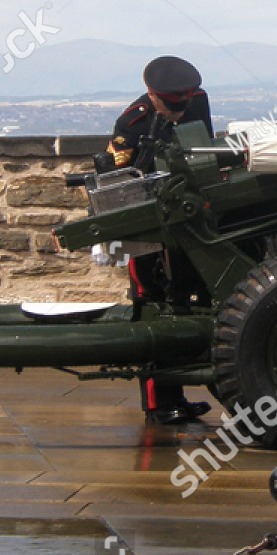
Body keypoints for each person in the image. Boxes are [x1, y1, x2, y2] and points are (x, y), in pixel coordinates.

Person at [100, 56, 215, 425]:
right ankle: (160, 403)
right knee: (153, 306)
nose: (179, 112)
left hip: (187, 221)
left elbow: (204, 156)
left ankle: (181, 391)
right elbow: (120, 182)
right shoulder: (132, 122)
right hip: (148, 228)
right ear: (152, 95)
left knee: (186, 301)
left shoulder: (197, 102)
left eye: (183, 104)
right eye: (170, 105)